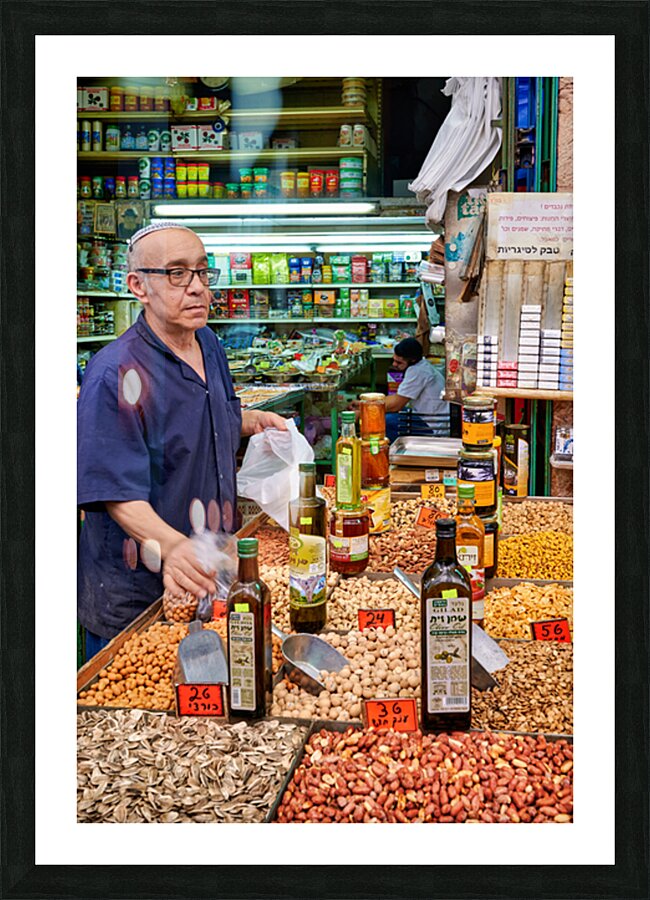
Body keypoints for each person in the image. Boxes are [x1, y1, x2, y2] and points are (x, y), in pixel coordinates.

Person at [77, 222, 287, 659]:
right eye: (176, 273)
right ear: (138, 286)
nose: (196, 288)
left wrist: (247, 422)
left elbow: (200, 418)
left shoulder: (208, 343)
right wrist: (173, 547)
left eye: (202, 272)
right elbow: (114, 491)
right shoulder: (114, 372)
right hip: (140, 589)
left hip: (207, 571)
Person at [381, 337, 449, 441]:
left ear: (412, 360)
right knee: (386, 412)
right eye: (393, 360)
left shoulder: (418, 371)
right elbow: (397, 398)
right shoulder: (420, 365)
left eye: (399, 362)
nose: (394, 365)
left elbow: (396, 405)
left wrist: (364, 409)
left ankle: (390, 454)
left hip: (433, 426)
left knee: (386, 421)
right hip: (426, 417)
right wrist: (362, 403)